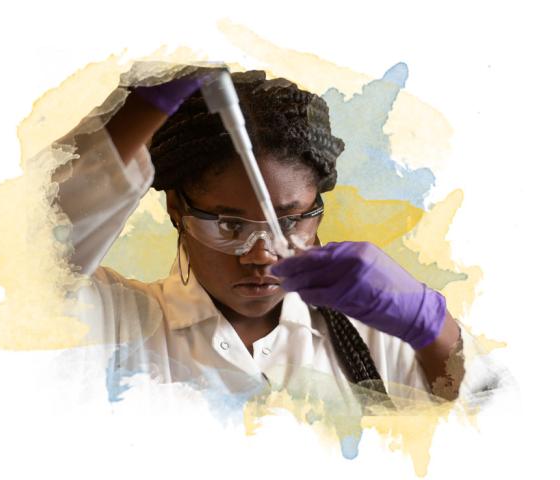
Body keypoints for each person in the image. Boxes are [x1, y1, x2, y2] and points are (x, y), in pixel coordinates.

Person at [53, 67, 469, 414]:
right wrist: (142, 105)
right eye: (230, 225)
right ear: (176, 209)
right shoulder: (114, 322)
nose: (261, 255)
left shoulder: (376, 340)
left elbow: (495, 438)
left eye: (288, 222)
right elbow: (28, 244)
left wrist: (434, 329)